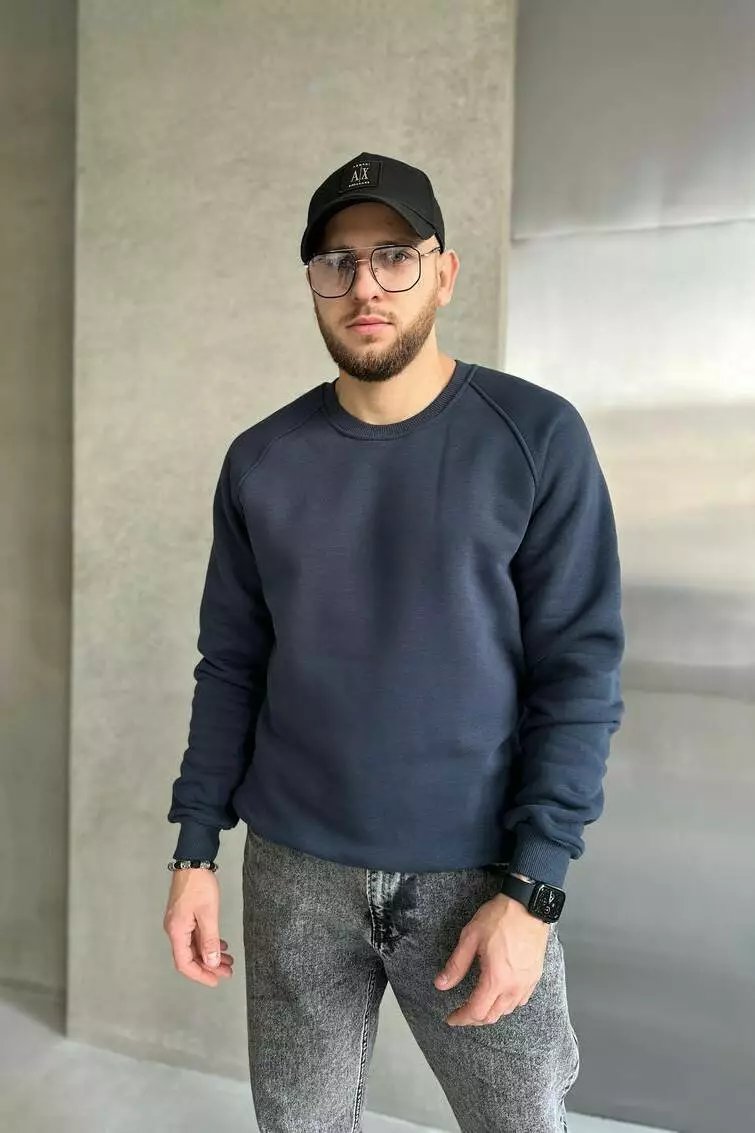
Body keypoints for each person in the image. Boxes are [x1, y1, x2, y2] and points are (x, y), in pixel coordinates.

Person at [163, 152, 625, 1133]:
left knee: (518, 1121)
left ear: (442, 273)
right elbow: (232, 662)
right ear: (312, 284)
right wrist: (194, 848)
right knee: (299, 1123)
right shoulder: (262, 460)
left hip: (475, 872)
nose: (364, 285)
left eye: (393, 256)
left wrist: (532, 890)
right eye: (336, 262)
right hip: (293, 870)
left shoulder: (534, 436)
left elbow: (577, 672)